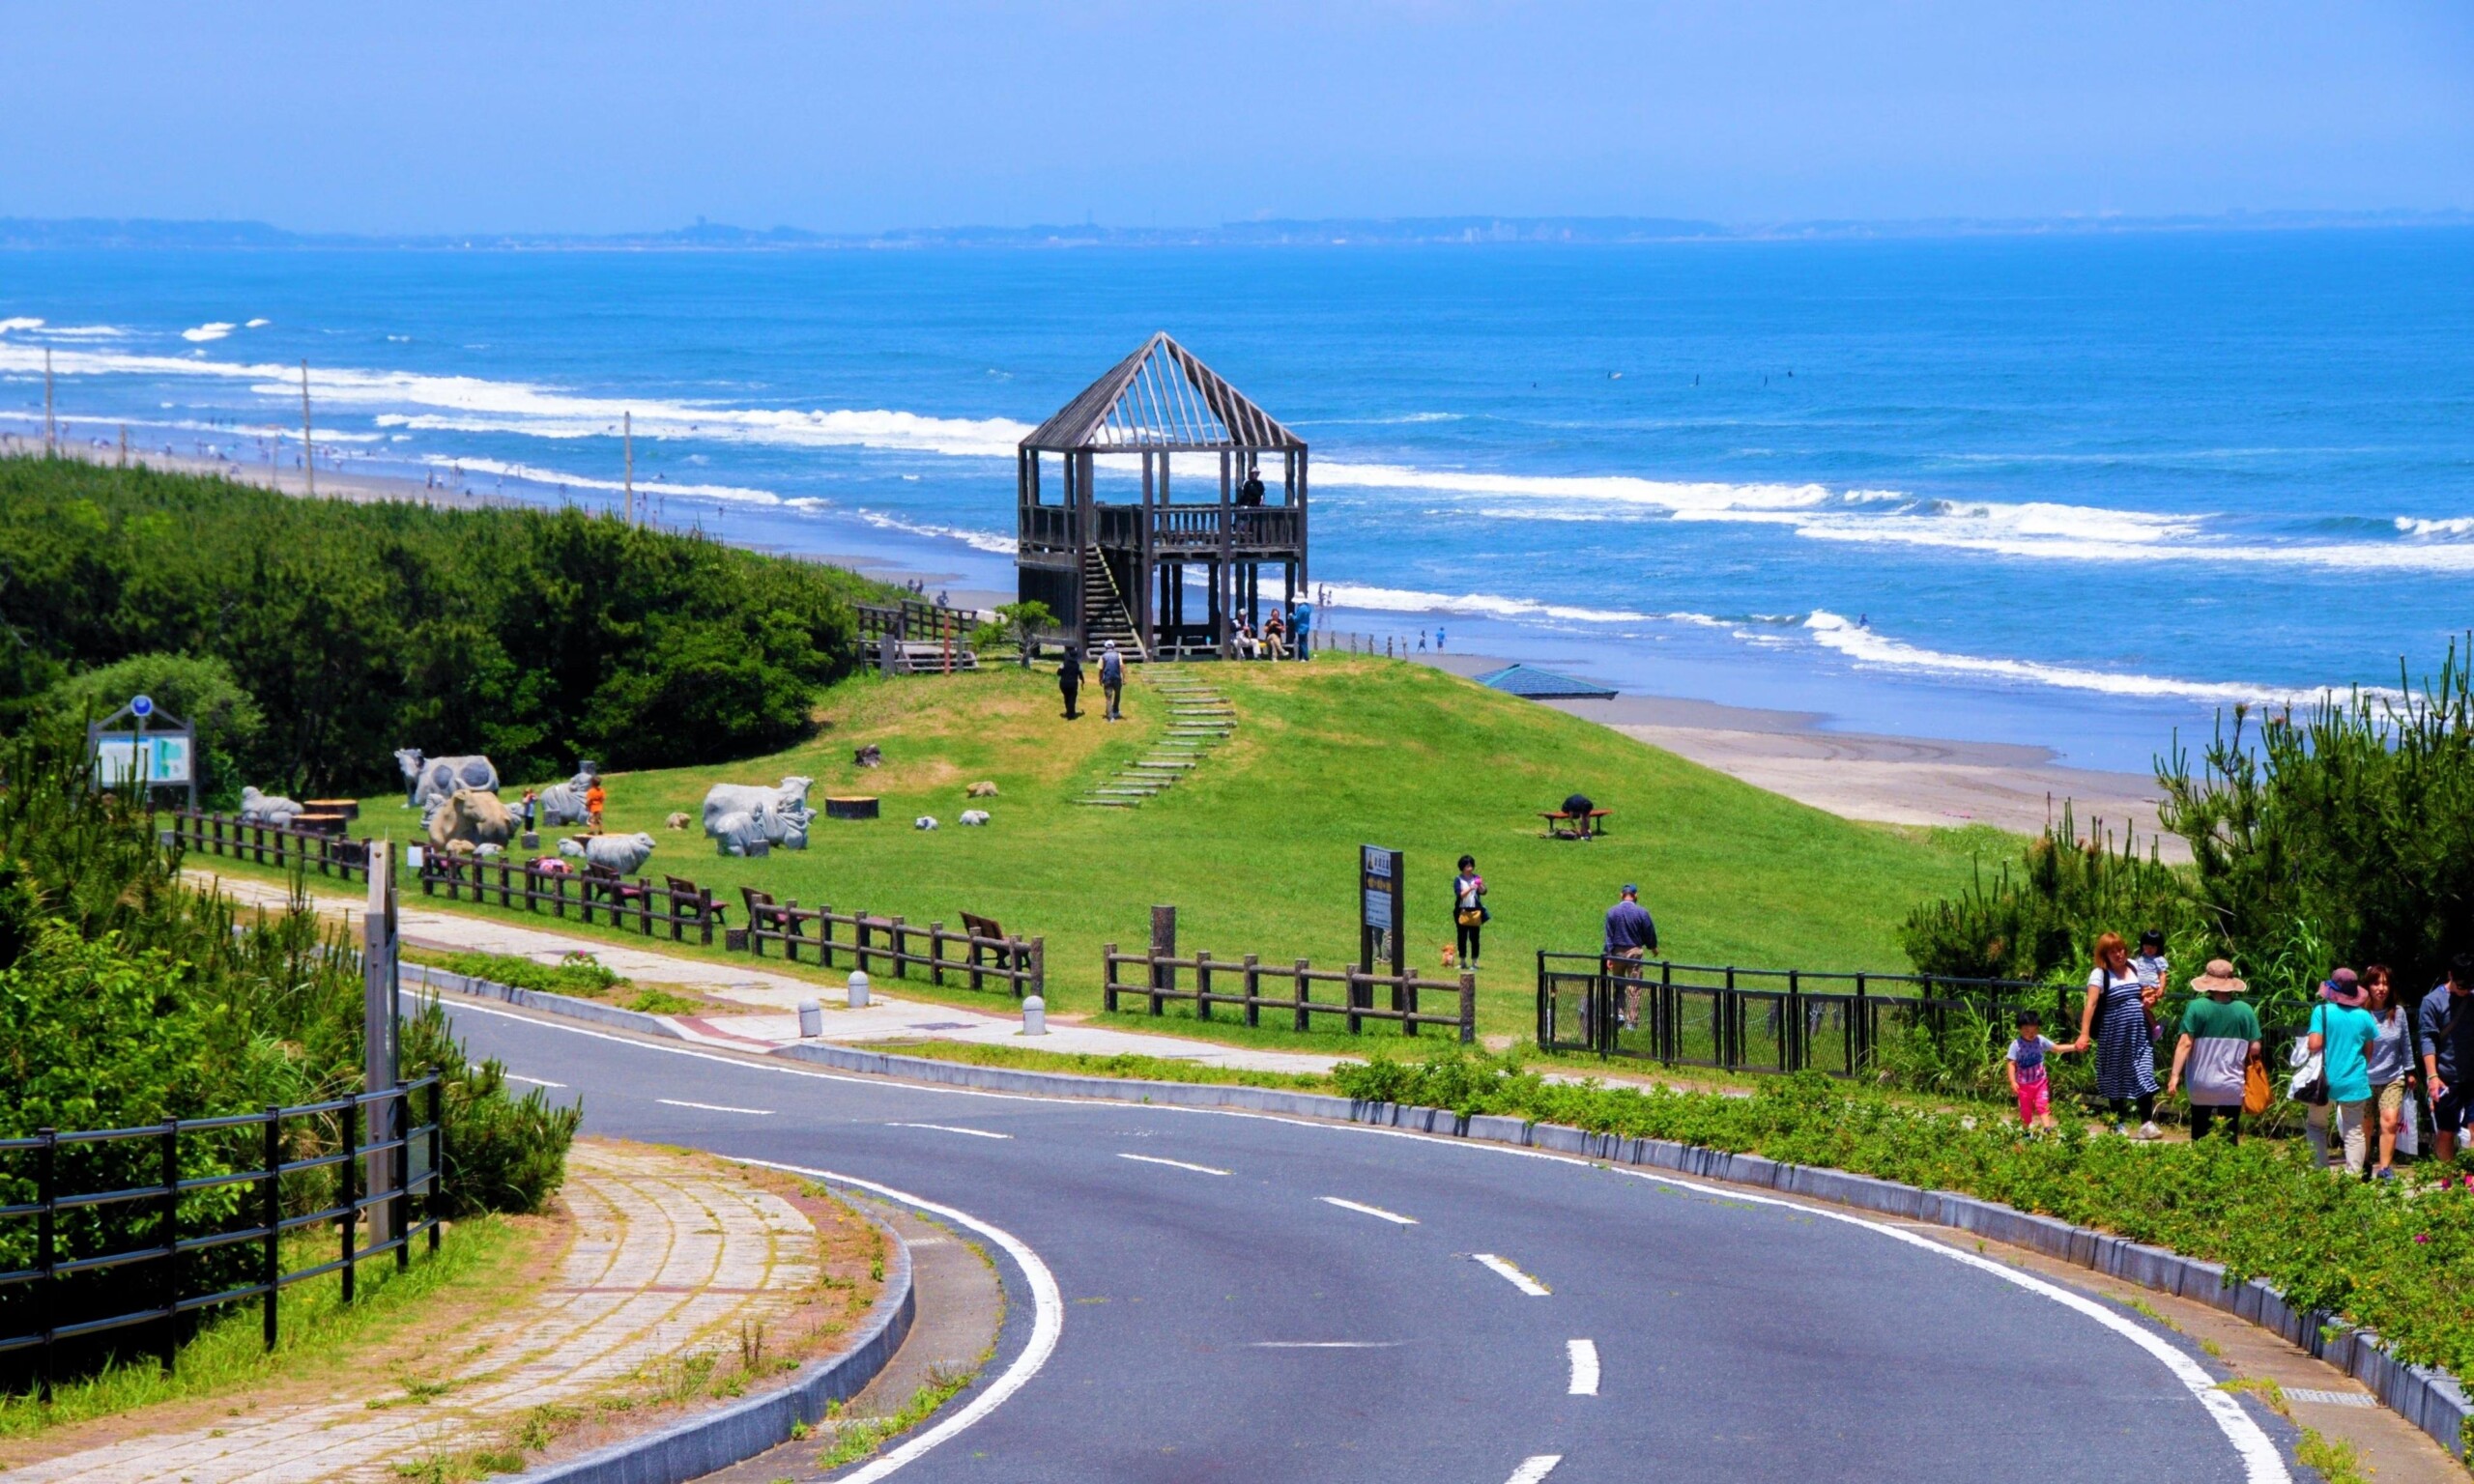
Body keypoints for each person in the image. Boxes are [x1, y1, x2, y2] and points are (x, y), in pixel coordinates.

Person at [2071, 932, 2161, 1138]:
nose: (2118, 954)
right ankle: (2117, 1123)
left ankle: (2147, 1122)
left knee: (2144, 1071)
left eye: (2120, 949)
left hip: (2140, 1033)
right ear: (2105, 955)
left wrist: (2151, 1001)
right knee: (2115, 1075)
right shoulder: (2100, 974)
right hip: (2113, 1034)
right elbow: (2091, 1004)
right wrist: (2084, 1034)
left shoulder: (2135, 966)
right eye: (2113, 951)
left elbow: (2149, 994)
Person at [2167, 959, 2261, 1143]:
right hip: (2232, 1085)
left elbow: (2185, 1043)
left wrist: (2174, 1076)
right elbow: (2255, 1048)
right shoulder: (2245, 1010)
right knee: (2229, 1136)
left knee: (2200, 1134)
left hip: (2201, 1082)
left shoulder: (2196, 1007)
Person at [2311, 973, 2381, 1176]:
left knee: (2316, 1126)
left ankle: (2319, 1176)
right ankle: (2353, 1179)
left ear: (2332, 991)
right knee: (2354, 1131)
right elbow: (2369, 1053)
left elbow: (2314, 1044)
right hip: (2354, 1081)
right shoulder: (2364, 1016)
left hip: (2323, 1081)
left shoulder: (2321, 1011)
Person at [2418, 953, 2474, 1162]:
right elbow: (2427, 1039)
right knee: (2446, 1131)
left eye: (2469, 986)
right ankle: (2448, 1179)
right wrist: (2432, 1076)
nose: (2465, 991)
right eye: (2461, 986)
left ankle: (2471, 1177)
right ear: (2450, 975)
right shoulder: (2432, 1002)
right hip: (2446, 1077)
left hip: (2472, 1076)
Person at [2361, 964, 2410, 1178]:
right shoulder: (2361, 1014)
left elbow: (2405, 1043)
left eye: (2386, 983)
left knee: (2389, 1121)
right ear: (2368, 986)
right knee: (2365, 1125)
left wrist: (2410, 1070)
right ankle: (2363, 1163)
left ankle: (2385, 1168)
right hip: (2364, 1078)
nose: (2381, 988)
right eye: (2376, 983)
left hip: (2392, 1077)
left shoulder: (2398, 1013)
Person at [1602, 883, 1657, 1030]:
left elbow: (1608, 936)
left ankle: (1619, 1014)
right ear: (1635, 895)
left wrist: (1609, 955)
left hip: (1617, 953)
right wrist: (1653, 947)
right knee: (1634, 988)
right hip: (1634, 952)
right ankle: (1632, 1022)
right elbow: (1649, 932)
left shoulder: (1612, 912)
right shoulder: (1642, 913)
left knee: (1619, 985)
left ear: (1621, 894)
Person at [2006, 1009, 2062, 1130]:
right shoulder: (2016, 1045)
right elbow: (2011, 1063)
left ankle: (2047, 1129)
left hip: (2040, 1082)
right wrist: (2012, 1081)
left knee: (2043, 1104)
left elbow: (2056, 1048)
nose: (2031, 1033)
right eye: (2027, 1030)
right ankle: (2026, 1132)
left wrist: (2075, 1046)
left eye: (2034, 1030)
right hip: (2023, 1085)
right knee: (2026, 1110)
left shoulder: (2040, 1040)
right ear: (2020, 1029)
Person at [1453, 855, 1488, 970]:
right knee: (1461, 937)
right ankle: (1462, 961)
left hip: (1475, 912)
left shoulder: (1476, 878)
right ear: (1462, 867)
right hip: (1462, 911)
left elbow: (1484, 892)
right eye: (1467, 865)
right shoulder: (1458, 880)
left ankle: (1474, 963)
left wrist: (1480, 885)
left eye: (1471, 865)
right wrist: (1470, 888)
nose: (1470, 867)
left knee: (1474, 938)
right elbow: (1460, 894)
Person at [1098, 640, 1125, 722]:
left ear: (1105, 647)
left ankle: (1110, 717)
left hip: (1107, 679)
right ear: (1113, 647)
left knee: (1108, 698)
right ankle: (1116, 711)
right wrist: (1124, 678)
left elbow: (1101, 670)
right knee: (1117, 695)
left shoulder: (1102, 656)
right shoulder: (1118, 655)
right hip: (1117, 678)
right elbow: (1122, 667)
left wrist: (1100, 679)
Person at [1057, 644, 1083, 720]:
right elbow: (1081, 674)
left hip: (1063, 684)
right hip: (1073, 684)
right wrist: (1082, 681)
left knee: (1066, 697)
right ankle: (1071, 714)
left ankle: (1069, 711)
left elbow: (1058, 672)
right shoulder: (1078, 665)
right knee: (1072, 698)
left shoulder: (1064, 663)